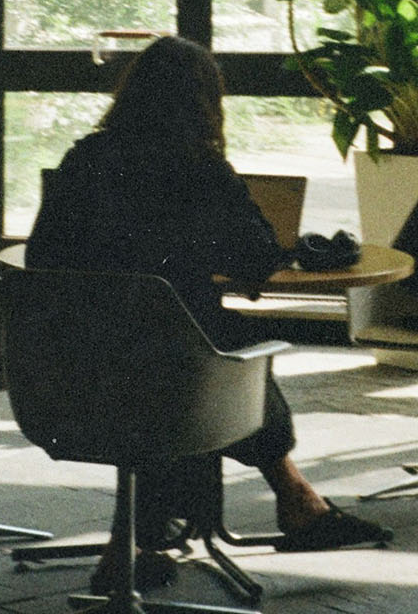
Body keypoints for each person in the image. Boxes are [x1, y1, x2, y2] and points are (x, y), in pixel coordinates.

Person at [23, 35, 391, 590]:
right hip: (176, 380)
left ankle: (149, 536)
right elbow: (258, 256)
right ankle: (289, 499)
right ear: (205, 102)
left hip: (69, 373)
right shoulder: (200, 170)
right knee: (223, 348)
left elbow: (39, 259)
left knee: (181, 343)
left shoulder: (83, 159)